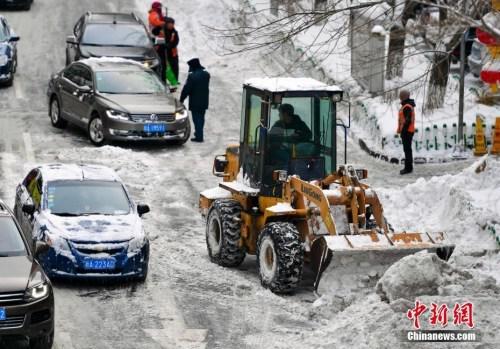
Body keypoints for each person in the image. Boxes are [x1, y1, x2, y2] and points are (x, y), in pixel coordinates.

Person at [180, 58, 210, 142]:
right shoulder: (206, 75)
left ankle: (199, 137)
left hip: (195, 102)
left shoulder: (192, 76)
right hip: (204, 101)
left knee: (196, 119)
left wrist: (181, 99)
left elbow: (186, 89)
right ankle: (198, 133)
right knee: (201, 118)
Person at [397, 89, 416, 175]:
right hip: (407, 131)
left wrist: (403, 131)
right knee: (408, 150)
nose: (400, 99)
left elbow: (407, 121)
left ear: (403, 97)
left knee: (407, 150)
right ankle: (409, 167)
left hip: (407, 132)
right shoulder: (407, 105)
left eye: (400, 97)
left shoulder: (407, 106)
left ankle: (408, 168)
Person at [148, 1, 167, 82]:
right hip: (156, 39)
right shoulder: (154, 14)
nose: (160, 9)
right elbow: (155, 21)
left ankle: (161, 77)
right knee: (160, 59)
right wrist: (164, 22)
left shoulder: (156, 14)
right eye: (159, 7)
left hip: (159, 39)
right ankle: (160, 78)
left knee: (161, 59)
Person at [164, 17, 179, 81]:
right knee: (165, 68)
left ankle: (174, 82)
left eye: (172, 24)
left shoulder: (174, 32)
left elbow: (176, 41)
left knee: (175, 68)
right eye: (170, 24)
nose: (171, 25)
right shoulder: (162, 31)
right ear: (166, 24)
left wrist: (169, 46)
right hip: (164, 53)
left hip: (173, 53)